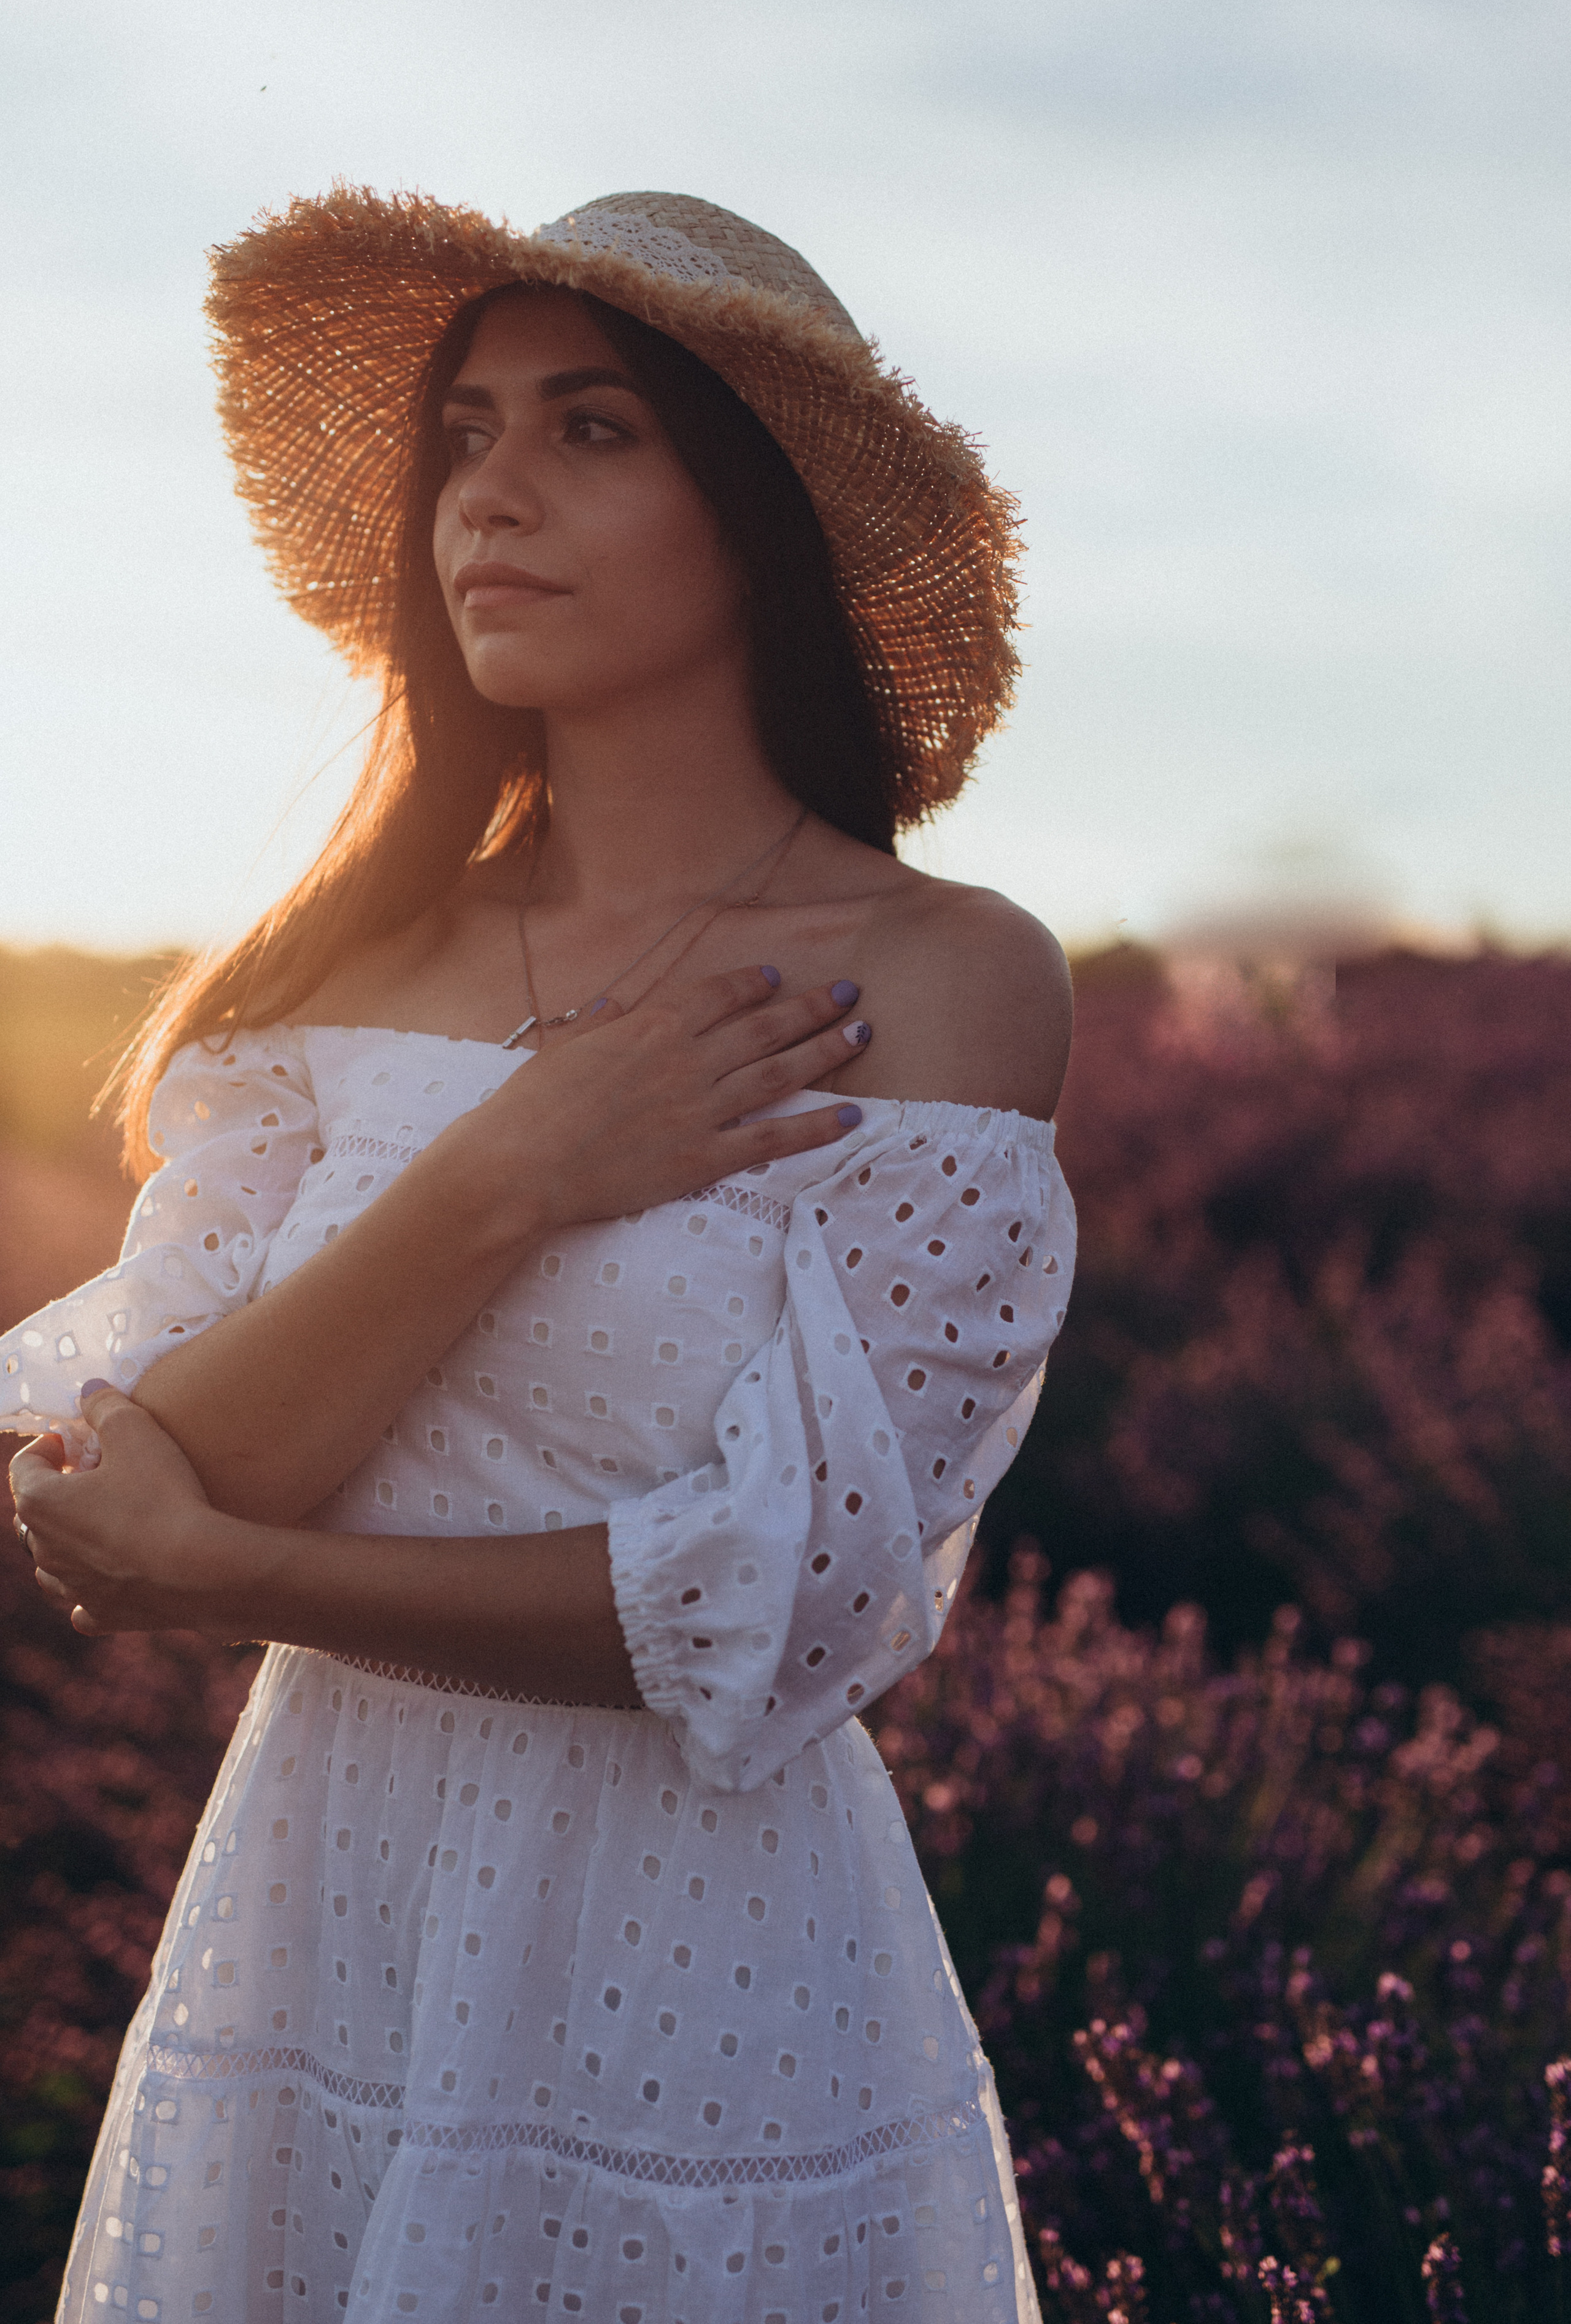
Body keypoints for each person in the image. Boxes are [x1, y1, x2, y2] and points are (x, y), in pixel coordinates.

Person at [4, 188, 1075, 2324]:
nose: (492, 496)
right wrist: (510, 1168)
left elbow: (795, 1600)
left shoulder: (942, 981)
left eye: (591, 431)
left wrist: (248, 1582)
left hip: (709, 1974)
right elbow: (133, 1476)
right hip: (322, 1931)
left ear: (760, 518)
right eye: (466, 439)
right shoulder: (339, 978)